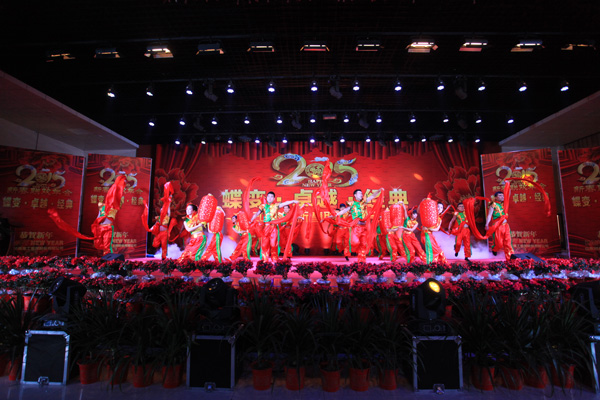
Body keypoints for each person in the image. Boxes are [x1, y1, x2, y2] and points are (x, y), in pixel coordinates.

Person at [337, 188, 384, 262]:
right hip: (356, 227)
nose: (361, 194)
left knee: (363, 244)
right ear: (355, 195)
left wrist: (379, 191)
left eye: (361, 193)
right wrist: (335, 214)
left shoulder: (364, 202)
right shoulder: (352, 203)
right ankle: (352, 250)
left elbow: (372, 196)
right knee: (355, 242)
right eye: (359, 193)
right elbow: (344, 211)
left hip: (364, 227)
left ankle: (361, 261)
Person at [250, 192, 298, 262]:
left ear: (274, 198)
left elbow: (285, 203)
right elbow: (257, 214)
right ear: (267, 198)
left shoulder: (276, 205)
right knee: (264, 245)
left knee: (273, 245)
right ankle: (265, 260)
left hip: (274, 228)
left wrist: (293, 201)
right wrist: (251, 220)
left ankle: (275, 259)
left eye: (271, 197)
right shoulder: (263, 206)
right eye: (268, 196)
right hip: (266, 227)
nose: (270, 198)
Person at [92, 175, 126, 256]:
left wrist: (118, 185)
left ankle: (107, 259)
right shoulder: (101, 205)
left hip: (108, 228)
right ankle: (104, 257)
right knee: (98, 244)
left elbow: (117, 196)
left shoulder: (115, 207)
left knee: (107, 245)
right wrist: (96, 225)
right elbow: (99, 215)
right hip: (100, 227)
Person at [485, 191, 514, 261]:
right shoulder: (493, 205)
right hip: (497, 226)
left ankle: (510, 259)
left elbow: (508, 194)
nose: (502, 197)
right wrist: (486, 224)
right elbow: (489, 215)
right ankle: (494, 249)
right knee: (499, 244)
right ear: (495, 197)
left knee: (508, 243)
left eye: (503, 195)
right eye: (500, 195)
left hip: (506, 226)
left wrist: (508, 186)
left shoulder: (504, 204)